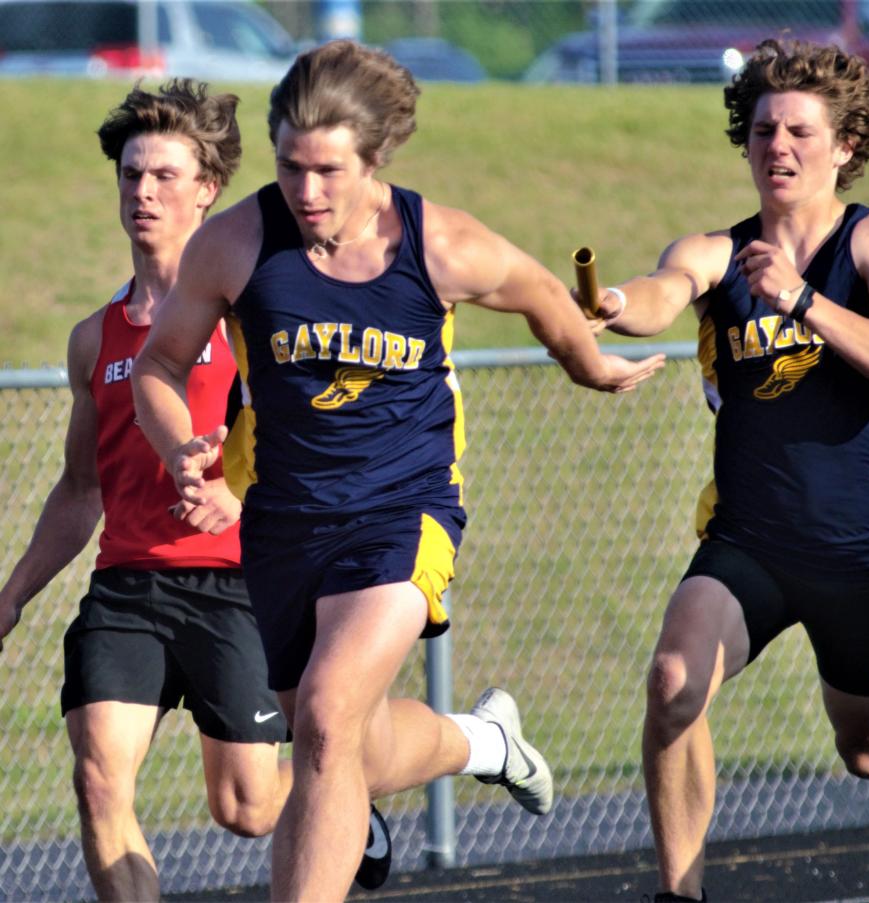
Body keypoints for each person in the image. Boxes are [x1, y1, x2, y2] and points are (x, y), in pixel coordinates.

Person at [131, 40, 665, 902]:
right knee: (351, 747)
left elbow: (538, 291)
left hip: (403, 510)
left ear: (374, 159)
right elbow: (158, 367)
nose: (306, 192)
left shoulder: (439, 242)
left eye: (328, 171)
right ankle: (485, 743)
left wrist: (588, 364)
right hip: (284, 522)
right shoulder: (234, 243)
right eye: (289, 167)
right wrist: (178, 444)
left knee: (326, 718)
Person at [583, 39, 869, 903]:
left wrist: (804, 300)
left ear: (845, 147)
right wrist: (615, 305)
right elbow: (663, 287)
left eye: (798, 131)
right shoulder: (721, 251)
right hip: (748, 540)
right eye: (762, 130)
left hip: (857, 547)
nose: (777, 146)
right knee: (674, 683)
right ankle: (680, 893)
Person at [0, 79, 385, 902]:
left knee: (246, 806)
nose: (142, 191)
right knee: (100, 778)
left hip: (240, 583)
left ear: (207, 191)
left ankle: (340, 801)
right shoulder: (92, 341)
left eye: (164, 176)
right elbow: (79, 488)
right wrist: (14, 593)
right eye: (131, 175)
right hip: (127, 586)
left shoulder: (254, 317)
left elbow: (321, 442)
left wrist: (242, 500)